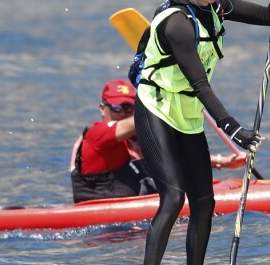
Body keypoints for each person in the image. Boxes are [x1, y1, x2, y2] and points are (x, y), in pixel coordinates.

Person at [133, 0, 270, 265]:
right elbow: (199, 82)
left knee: (205, 202)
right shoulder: (176, 23)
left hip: (188, 111)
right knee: (174, 197)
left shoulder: (219, 4)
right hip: (156, 108)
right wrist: (233, 129)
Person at [71, 79, 246, 203]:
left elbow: (174, 161)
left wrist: (223, 162)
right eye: (118, 107)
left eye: (130, 107)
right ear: (103, 109)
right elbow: (135, 122)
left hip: (134, 220)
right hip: (103, 225)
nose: (124, 112)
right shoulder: (96, 133)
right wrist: (170, 98)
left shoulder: (136, 140)